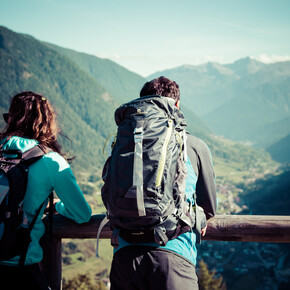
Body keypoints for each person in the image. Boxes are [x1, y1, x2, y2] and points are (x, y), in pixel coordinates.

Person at [109, 77, 217, 290]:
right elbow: (210, 207)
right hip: (174, 255)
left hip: (124, 255)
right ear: (176, 105)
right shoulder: (193, 146)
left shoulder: (122, 143)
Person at [0, 91, 92, 289]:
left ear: (11, 118)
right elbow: (82, 214)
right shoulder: (50, 161)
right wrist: (57, 207)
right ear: (47, 122)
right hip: (22, 270)